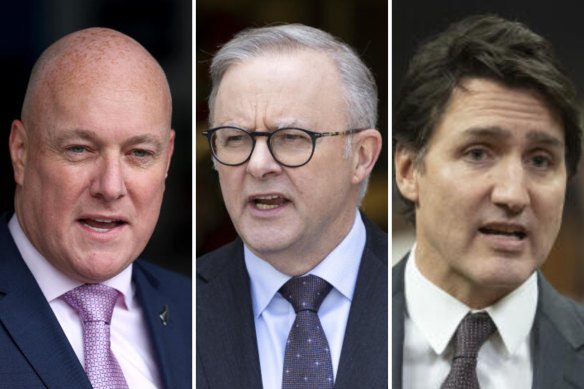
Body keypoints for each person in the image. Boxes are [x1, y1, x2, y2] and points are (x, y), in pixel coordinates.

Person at [393, 14, 584, 389]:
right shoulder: (331, 335)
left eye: (540, 160)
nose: (513, 194)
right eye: (478, 153)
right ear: (408, 171)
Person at [197, 24, 387, 389]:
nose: (258, 165)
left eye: (291, 138)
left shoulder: (413, 294)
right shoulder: (179, 307)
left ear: (362, 156)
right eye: (235, 139)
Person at [1, 27, 191, 388]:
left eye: (139, 154)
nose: (110, 187)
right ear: (21, 153)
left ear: (167, 160)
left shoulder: (203, 313)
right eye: (79, 149)